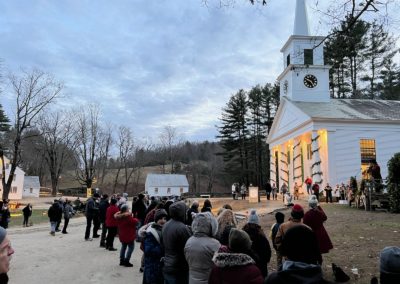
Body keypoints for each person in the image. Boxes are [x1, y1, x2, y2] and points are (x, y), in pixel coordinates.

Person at [185, 212, 221, 284]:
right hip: (209, 280)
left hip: (192, 280)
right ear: (211, 226)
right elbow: (219, 264)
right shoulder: (215, 244)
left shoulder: (189, 241)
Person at [162, 201, 192, 284]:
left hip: (167, 264)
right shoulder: (182, 228)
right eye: (185, 211)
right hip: (178, 267)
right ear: (181, 212)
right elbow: (188, 247)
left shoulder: (166, 224)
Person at [141, 209, 168, 284]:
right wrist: (164, 249)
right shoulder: (151, 232)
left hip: (158, 265)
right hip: (153, 265)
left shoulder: (162, 229)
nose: (163, 221)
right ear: (156, 220)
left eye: (165, 219)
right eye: (160, 219)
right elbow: (148, 250)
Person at [243, 209, 272, 278]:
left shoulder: (243, 234)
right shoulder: (261, 236)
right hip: (260, 269)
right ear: (257, 223)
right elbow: (267, 254)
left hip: (245, 268)